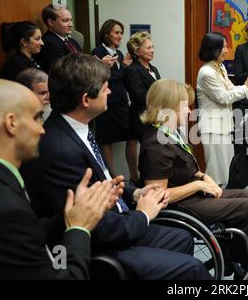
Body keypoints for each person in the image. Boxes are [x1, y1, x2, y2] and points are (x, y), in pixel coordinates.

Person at [21, 54, 212, 280]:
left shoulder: (78, 130)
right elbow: (90, 222)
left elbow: (106, 180)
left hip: (116, 221)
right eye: (105, 88)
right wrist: (142, 215)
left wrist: (136, 193)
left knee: (182, 238)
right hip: (97, 246)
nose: (110, 92)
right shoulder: (61, 149)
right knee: (192, 269)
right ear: (86, 99)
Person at [139, 79, 248, 280]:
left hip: (190, 196)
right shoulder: (155, 144)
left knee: (246, 195)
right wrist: (198, 184)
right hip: (178, 206)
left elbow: (183, 168)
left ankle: (245, 262)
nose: (189, 111)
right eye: (185, 105)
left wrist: (204, 177)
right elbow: (157, 195)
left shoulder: (168, 134)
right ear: (168, 106)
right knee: (244, 208)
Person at [0, 79, 114, 279]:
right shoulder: (5, 207)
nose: (42, 130)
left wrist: (73, 215)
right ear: (11, 123)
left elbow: (29, 230)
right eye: (36, 118)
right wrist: (79, 228)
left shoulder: (5, 180)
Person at [196, 32, 248, 186]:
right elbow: (224, 97)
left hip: (224, 127)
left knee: (228, 172)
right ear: (213, 49)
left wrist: (244, 87)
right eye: (223, 47)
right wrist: (246, 89)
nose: (227, 51)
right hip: (213, 128)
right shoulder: (206, 72)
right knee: (216, 175)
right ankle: (211, 208)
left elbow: (230, 88)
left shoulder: (219, 66)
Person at [91, 19, 139, 184]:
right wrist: (123, 67)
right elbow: (105, 79)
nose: (120, 36)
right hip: (106, 104)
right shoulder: (97, 53)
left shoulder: (118, 54)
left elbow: (121, 78)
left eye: (121, 33)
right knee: (106, 141)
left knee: (132, 138)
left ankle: (134, 176)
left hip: (122, 102)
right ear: (106, 34)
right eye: (116, 32)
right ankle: (111, 179)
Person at [124, 31, 161, 141]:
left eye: (152, 47)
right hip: (141, 117)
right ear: (137, 51)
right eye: (148, 48)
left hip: (154, 116)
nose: (152, 51)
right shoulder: (132, 70)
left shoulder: (154, 69)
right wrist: (161, 97)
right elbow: (139, 95)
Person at [36, 4, 82, 73]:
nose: (71, 24)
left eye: (71, 20)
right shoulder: (48, 43)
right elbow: (62, 72)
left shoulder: (72, 41)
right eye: (65, 20)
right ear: (51, 22)